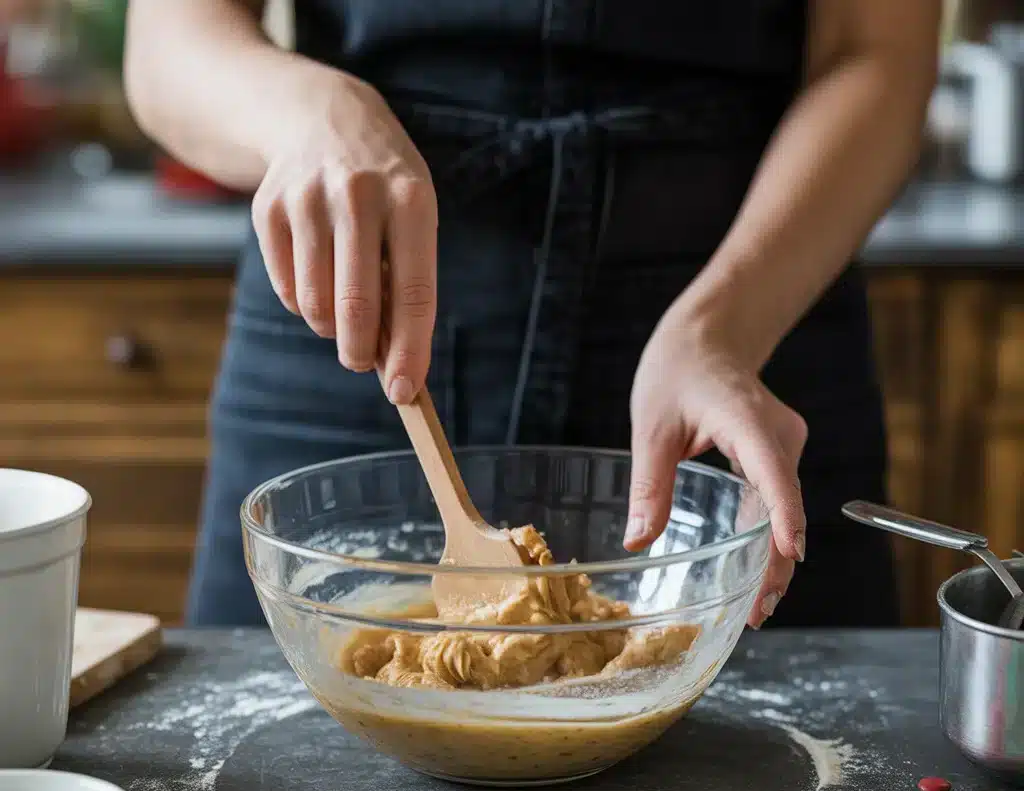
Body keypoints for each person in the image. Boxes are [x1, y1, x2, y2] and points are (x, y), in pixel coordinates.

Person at [124, 1, 940, 630]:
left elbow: (877, 57)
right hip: (352, 291)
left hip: (752, 318)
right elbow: (170, 46)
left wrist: (724, 330)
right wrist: (307, 111)